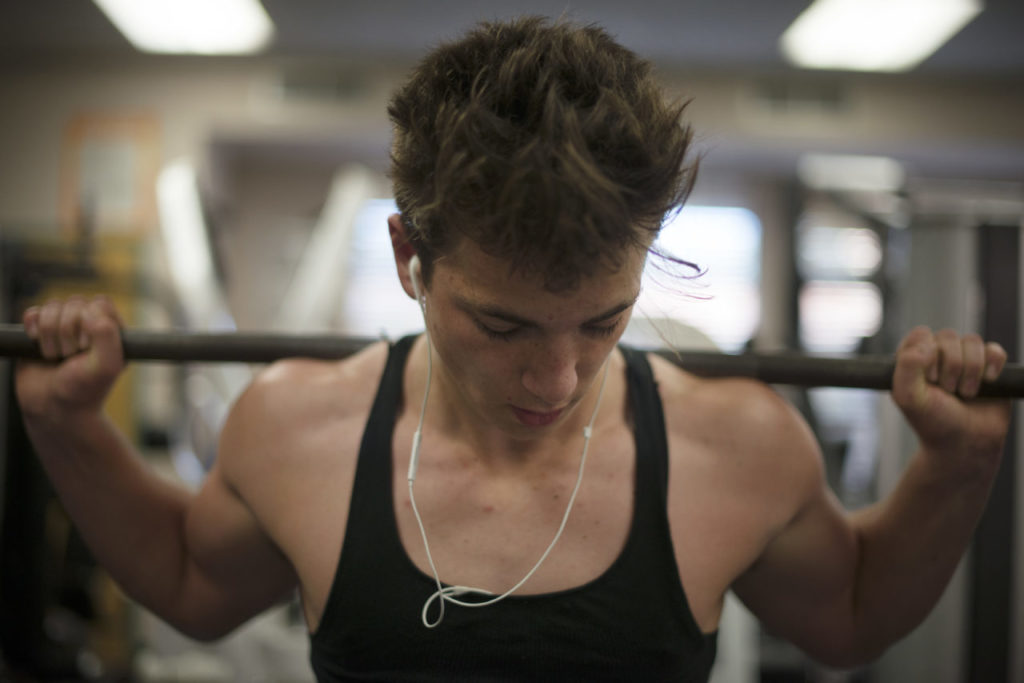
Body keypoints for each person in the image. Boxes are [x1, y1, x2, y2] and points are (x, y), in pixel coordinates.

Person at [15, 16, 1011, 683]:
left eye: (603, 320)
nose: (558, 378)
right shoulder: (295, 424)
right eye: (503, 324)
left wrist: (958, 463)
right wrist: (67, 427)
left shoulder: (735, 440)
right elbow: (192, 587)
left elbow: (847, 615)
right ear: (411, 256)